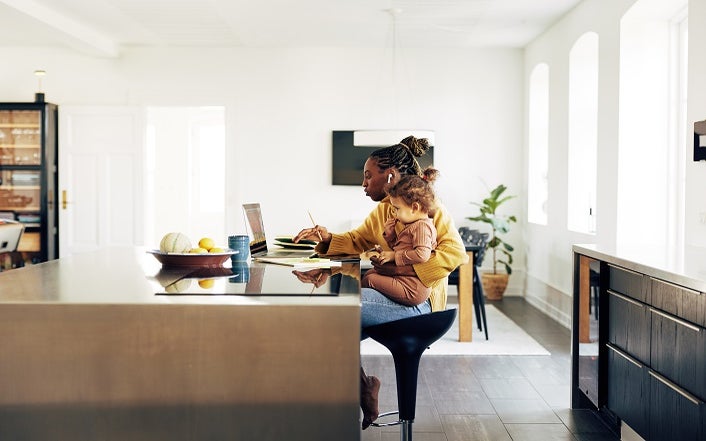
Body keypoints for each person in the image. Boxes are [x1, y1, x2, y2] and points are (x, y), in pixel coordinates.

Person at [293, 135, 467, 429]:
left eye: (367, 176)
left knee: (336, 317)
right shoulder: (388, 208)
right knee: (330, 322)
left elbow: (455, 253)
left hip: (420, 304)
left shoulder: (426, 206)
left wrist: (399, 269)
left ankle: (350, 394)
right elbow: (359, 239)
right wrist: (326, 239)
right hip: (396, 295)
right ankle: (358, 388)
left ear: (389, 176)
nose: (363, 184)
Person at [362, 167, 440, 306]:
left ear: (415, 207)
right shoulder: (412, 225)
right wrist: (391, 236)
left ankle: (369, 310)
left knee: (369, 280)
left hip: (412, 288)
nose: (395, 213)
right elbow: (404, 248)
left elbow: (422, 255)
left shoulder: (422, 227)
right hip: (404, 281)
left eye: (397, 209)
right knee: (369, 274)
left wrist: (393, 256)